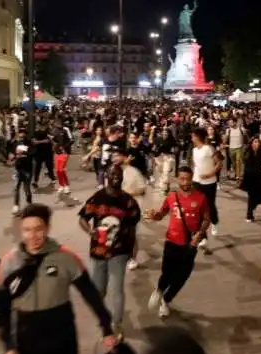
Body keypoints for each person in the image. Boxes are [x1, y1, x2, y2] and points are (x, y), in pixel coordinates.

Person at [0, 204, 117, 354]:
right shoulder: (9, 263)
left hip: (62, 338)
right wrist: (8, 346)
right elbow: (1, 309)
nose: (33, 236)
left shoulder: (66, 258)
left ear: (48, 228)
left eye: (38, 229)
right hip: (27, 340)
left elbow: (91, 294)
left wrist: (107, 328)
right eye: (27, 230)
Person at [78, 164, 141, 334]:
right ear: (106, 175)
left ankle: (116, 324)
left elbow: (133, 227)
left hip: (119, 251)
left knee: (117, 289)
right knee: (99, 290)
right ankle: (103, 317)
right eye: (112, 174)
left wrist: (133, 250)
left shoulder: (129, 202)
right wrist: (90, 231)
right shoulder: (97, 198)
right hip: (98, 250)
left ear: (122, 177)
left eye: (118, 174)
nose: (116, 177)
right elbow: (83, 218)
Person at [145, 166, 210, 318]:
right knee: (167, 272)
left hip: (190, 244)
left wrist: (198, 235)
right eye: (182, 178)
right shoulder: (172, 196)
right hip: (172, 241)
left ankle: (166, 301)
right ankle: (159, 291)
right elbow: (161, 214)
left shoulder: (200, 198)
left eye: (188, 178)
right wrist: (154, 215)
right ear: (177, 179)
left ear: (192, 178)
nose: (185, 182)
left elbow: (206, 219)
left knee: (183, 276)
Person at [191, 128, 222, 240]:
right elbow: (196, 165)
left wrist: (209, 174)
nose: (192, 138)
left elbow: (219, 163)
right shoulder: (194, 150)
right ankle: (202, 236)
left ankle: (214, 222)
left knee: (210, 206)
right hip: (196, 182)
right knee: (198, 207)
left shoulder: (208, 149)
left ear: (198, 137)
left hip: (209, 182)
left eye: (193, 136)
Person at [241, 137, 261, 222]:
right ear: (251, 143)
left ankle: (253, 207)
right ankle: (249, 215)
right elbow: (248, 167)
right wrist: (260, 167)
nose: (258, 143)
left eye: (258, 142)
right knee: (251, 197)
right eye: (255, 142)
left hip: (260, 178)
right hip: (250, 178)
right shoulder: (248, 153)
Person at [10, 128, 34, 216]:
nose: (22, 134)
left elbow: (34, 153)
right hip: (17, 168)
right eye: (20, 132)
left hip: (27, 168)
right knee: (16, 187)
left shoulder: (30, 143)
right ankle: (16, 206)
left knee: (26, 188)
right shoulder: (15, 143)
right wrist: (13, 157)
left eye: (24, 133)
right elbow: (12, 155)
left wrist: (25, 151)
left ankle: (29, 204)